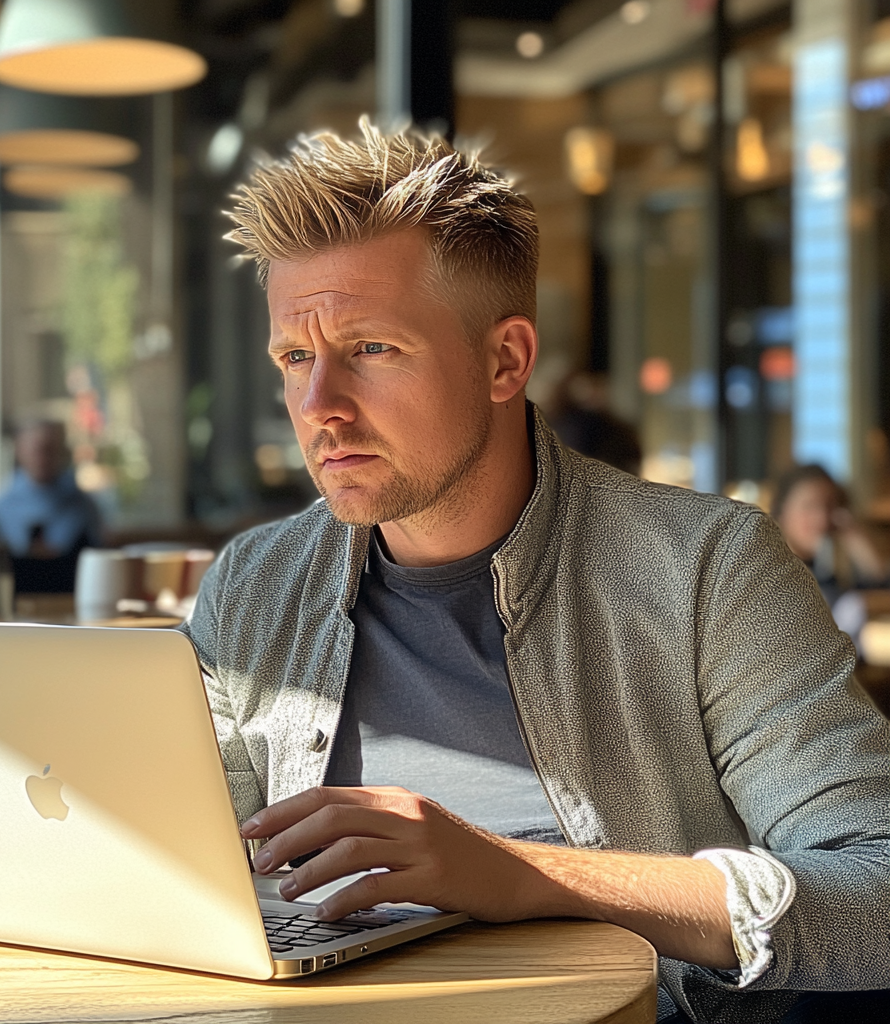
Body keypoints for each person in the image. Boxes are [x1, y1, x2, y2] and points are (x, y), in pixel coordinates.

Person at [181, 121, 890, 1024]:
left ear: (505, 359)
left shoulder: (707, 571)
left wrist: (519, 874)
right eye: (295, 357)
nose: (320, 407)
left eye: (371, 350)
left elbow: (878, 888)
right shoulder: (257, 582)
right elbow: (189, 868)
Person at [0, 420, 102, 593]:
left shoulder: (84, 506)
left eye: (51, 450)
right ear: (19, 451)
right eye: (37, 450)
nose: (43, 458)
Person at [772, 464, 888, 608]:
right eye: (809, 506)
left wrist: (853, 536)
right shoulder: (772, 577)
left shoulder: (825, 574)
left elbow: (881, 586)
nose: (822, 518)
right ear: (781, 512)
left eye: (829, 506)